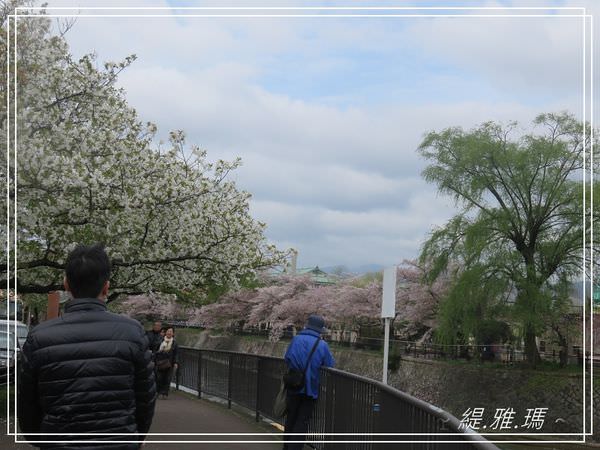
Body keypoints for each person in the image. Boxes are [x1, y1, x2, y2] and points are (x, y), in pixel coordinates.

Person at [18, 244, 156, 449]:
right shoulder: (133, 332)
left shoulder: (39, 337)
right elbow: (145, 400)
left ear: (66, 284)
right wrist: (133, 439)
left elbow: (27, 406)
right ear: (106, 287)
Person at [283, 315, 335, 450]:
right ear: (320, 330)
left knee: (291, 418)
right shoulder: (322, 345)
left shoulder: (296, 339)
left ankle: (286, 447)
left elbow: (287, 358)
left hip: (293, 385)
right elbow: (329, 364)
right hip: (310, 389)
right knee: (302, 421)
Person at [155, 326, 179, 399]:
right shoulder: (160, 341)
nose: (169, 332)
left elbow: (176, 354)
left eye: (171, 331)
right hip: (160, 362)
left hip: (170, 363)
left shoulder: (174, 343)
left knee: (167, 379)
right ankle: (158, 392)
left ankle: (165, 393)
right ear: (166, 332)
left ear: (173, 333)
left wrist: (176, 362)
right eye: (168, 331)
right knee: (159, 378)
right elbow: (155, 351)